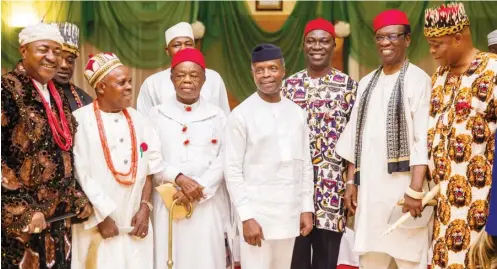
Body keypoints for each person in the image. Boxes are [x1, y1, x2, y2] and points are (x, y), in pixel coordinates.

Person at [336, 9, 432, 269]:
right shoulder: (366, 83)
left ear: (407, 39)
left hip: (404, 196)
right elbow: (354, 137)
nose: (385, 43)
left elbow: (422, 139)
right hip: (370, 196)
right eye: (380, 37)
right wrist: (350, 182)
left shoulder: (419, 81)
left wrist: (415, 190)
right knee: (371, 261)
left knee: (410, 261)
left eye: (392, 36)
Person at [70, 52, 176, 269]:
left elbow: (150, 168)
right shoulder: (79, 121)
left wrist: (145, 208)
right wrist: (102, 216)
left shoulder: (140, 120)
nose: (129, 86)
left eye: (129, 81)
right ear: (101, 87)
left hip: (135, 220)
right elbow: (80, 174)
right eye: (121, 82)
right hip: (97, 223)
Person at [1, 23, 92, 269]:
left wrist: (76, 195)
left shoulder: (57, 95)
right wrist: (23, 209)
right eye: (43, 49)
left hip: (58, 223)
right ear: (23, 50)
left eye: (57, 51)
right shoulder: (6, 89)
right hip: (21, 227)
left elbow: (65, 152)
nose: (52, 58)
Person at [224, 43, 314, 269]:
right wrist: (246, 217)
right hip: (257, 216)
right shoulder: (241, 115)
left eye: (272, 68)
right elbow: (232, 170)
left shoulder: (297, 113)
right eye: (260, 70)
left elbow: (305, 165)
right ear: (252, 73)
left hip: (288, 213)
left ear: (283, 71)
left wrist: (306, 207)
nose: (266, 75)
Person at [424, 2, 497, 268]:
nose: (432, 51)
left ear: (459, 37)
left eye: (438, 44)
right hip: (444, 208)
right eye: (429, 43)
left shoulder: (492, 71)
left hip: (482, 210)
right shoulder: (438, 78)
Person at [281, 18, 357, 269]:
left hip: (332, 189)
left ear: (334, 45)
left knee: (326, 261)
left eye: (324, 41)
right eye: (311, 41)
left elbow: (355, 142)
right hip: (293, 191)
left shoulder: (349, 87)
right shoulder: (288, 87)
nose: (317, 46)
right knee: (296, 260)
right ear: (303, 45)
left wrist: (350, 183)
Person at [149, 48, 229, 269]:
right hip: (168, 200)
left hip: (206, 203)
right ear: (171, 78)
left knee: (206, 259)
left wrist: (200, 187)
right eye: (181, 75)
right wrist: (179, 178)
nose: (187, 80)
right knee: (170, 257)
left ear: (204, 80)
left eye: (194, 75)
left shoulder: (217, 115)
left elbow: (225, 157)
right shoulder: (157, 114)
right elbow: (150, 156)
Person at [137, 22, 230, 116]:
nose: (183, 49)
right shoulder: (152, 83)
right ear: (167, 50)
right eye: (177, 45)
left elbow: (223, 116)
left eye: (188, 44)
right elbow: (144, 123)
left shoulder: (213, 78)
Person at [51, 22, 93, 111]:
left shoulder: (85, 100)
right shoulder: (30, 95)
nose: (64, 65)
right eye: (58, 58)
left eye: (70, 60)